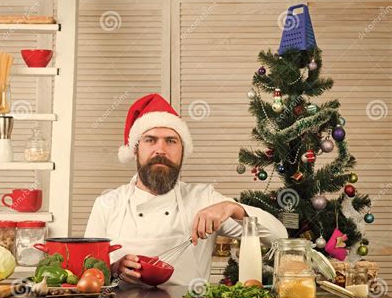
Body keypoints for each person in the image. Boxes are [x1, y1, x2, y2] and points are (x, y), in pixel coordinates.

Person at [85, 93, 288, 285]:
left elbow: (279, 237)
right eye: (150, 140)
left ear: (183, 151)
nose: (161, 150)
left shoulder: (203, 198)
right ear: (135, 149)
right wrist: (113, 269)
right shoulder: (108, 204)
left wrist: (233, 208)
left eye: (171, 141)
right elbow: (87, 271)